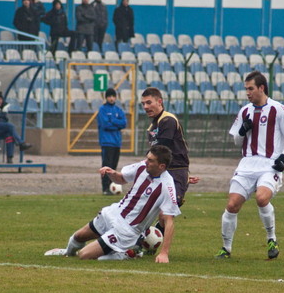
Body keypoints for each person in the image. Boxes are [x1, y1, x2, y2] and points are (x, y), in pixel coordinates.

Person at [45, 145, 180, 263]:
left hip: (126, 230)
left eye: (150, 160)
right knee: (78, 237)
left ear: (161, 166)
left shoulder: (167, 187)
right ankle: (66, 252)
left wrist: (164, 253)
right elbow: (121, 178)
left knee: (84, 255)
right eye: (147, 158)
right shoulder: (142, 167)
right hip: (114, 212)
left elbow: (169, 221)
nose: (146, 162)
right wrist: (112, 173)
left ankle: (125, 254)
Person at [215, 71, 284, 260]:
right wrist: (242, 131)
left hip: (269, 164)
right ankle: (226, 248)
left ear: (261, 88)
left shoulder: (278, 109)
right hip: (247, 164)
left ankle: (271, 239)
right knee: (232, 205)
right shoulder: (245, 111)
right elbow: (237, 141)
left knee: (261, 198)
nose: (247, 93)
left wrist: (283, 156)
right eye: (246, 89)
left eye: (250, 88)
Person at [142, 87, 199, 241]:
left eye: (149, 102)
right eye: (143, 104)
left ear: (159, 102)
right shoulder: (152, 126)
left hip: (176, 171)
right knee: (146, 210)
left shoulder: (168, 120)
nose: (146, 107)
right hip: (163, 171)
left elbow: (161, 150)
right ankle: (142, 243)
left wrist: (182, 175)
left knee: (165, 213)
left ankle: (154, 245)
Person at [0, 90, 32, 164]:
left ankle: (9, 158)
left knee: (9, 136)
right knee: (10, 126)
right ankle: (21, 143)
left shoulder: (4, 107)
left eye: (0, 99)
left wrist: (2, 115)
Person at [98, 88, 127, 195]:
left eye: (113, 96)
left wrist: (113, 121)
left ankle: (111, 187)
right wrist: (117, 125)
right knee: (106, 166)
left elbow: (124, 123)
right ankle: (105, 188)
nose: (111, 98)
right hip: (107, 142)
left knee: (113, 167)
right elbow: (105, 125)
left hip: (116, 142)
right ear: (106, 98)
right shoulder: (102, 109)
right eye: (109, 96)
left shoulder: (118, 110)